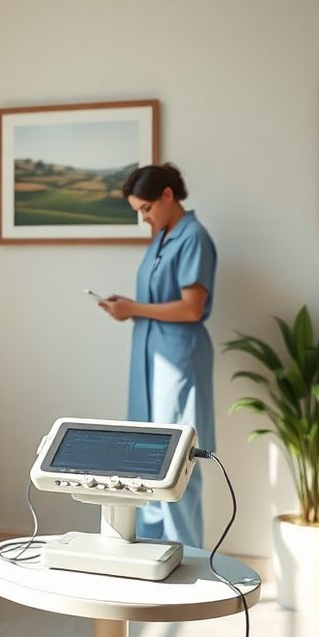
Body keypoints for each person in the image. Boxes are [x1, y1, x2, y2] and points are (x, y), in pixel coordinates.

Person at [100, 164, 216, 548]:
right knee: (145, 462)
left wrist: (134, 309)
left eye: (146, 207)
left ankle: (190, 563)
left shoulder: (193, 237)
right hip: (149, 361)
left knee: (179, 464)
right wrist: (129, 307)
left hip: (179, 363)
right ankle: (149, 557)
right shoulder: (162, 237)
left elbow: (191, 309)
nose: (143, 217)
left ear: (168, 195)